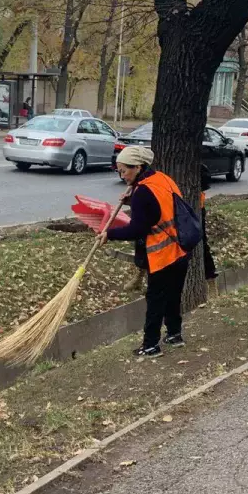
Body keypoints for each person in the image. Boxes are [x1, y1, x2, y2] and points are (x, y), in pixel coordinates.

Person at [100, 146, 190, 358]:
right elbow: (159, 207)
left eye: (124, 171)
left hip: (162, 254)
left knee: (156, 299)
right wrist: (133, 198)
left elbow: (137, 229)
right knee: (173, 296)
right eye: (118, 171)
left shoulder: (143, 192)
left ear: (138, 167)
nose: (121, 175)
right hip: (181, 249)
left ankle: (150, 346)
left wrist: (109, 234)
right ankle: (175, 335)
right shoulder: (162, 179)